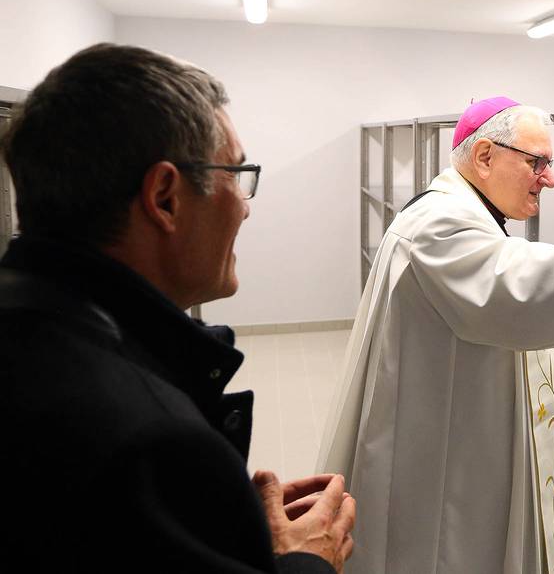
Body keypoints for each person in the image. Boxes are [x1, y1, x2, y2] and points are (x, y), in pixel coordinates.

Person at [0, 43, 355, 573]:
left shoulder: (30, 328)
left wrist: (211, 522)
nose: (245, 208)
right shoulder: (152, 444)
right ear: (165, 197)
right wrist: (307, 560)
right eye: (235, 174)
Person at [317, 96, 554, 574]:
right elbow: (527, 294)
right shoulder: (439, 223)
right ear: (485, 156)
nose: (549, 179)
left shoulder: (463, 212)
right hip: (444, 460)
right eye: (538, 162)